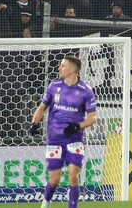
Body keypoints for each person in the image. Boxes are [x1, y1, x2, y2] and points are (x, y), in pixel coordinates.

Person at [29, 55, 98, 208]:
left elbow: (93, 118)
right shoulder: (54, 86)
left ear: (72, 70)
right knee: (55, 180)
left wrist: (76, 127)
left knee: (73, 176)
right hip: (54, 140)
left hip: (74, 140)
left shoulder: (85, 91)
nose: (59, 68)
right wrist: (34, 123)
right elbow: (41, 108)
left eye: (62, 66)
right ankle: (46, 202)